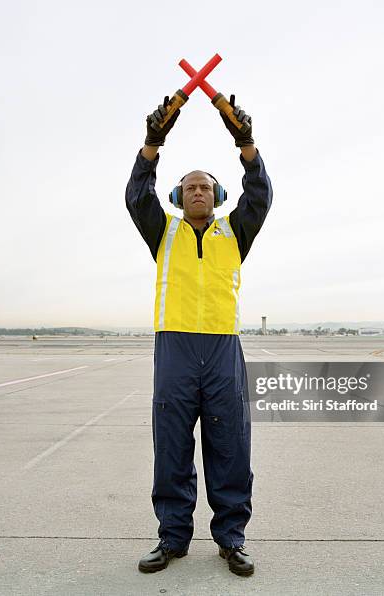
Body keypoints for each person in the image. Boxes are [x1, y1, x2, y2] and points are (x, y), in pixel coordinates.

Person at [125, 94, 272, 577]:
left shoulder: (236, 232)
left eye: (205, 186)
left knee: (230, 445)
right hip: (175, 349)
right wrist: (152, 142)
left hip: (222, 348)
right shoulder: (162, 233)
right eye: (188, 187)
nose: (197, 191)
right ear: (177, 197)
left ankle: (231, 538)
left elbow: (261, 195)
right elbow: (135, 195)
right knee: (171, 444)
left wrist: (245, 142)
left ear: (218, 196)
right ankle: (172, 538)